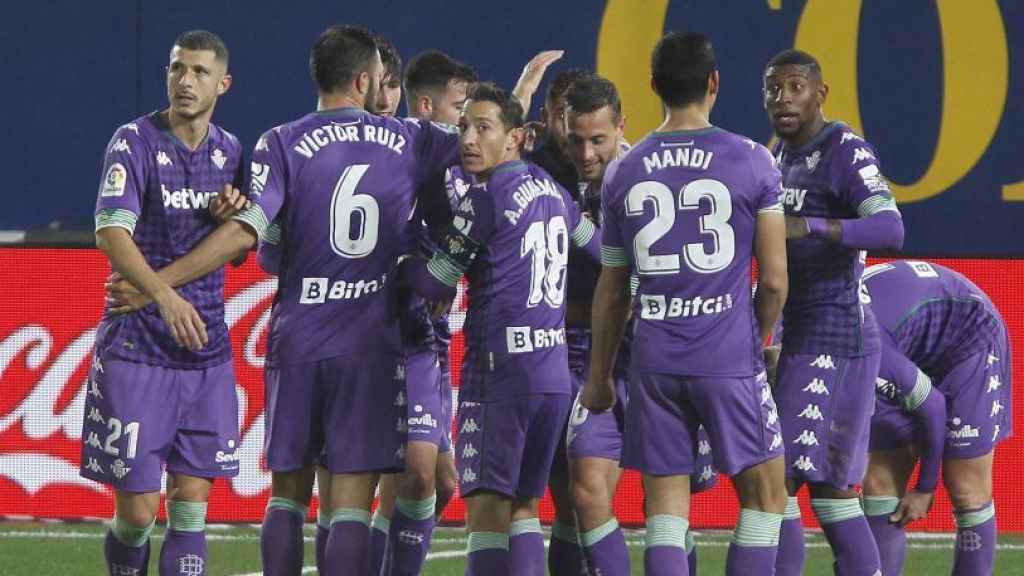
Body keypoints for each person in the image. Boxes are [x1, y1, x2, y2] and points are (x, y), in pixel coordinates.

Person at [582, 32, 790, 575]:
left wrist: (600, 375)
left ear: (652, 86)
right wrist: (758, 342)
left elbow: (612, 290)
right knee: (767, 498)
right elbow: (773, 281)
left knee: (666, 514)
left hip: (654, 361)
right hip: (727, 357)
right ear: (715, 83)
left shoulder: (624, 172)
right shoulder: (753, 160)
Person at [399, 82, 600, 575]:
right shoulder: (554, 191)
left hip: (501, 377)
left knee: (487, 515)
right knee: (525, 509)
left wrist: (403, 252)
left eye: (482, 128)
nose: (467, 138)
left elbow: (436, 282)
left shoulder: (483, 197)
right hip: (554, 375)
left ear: (517, 137)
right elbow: (600, 251)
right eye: (464, 125)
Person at [82, 29, 246, 576]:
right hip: (137, 348)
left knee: (191, 508)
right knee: (137, 512)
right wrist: (163, 297)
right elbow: (110, 231)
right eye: (177, 68)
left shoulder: (231, 153)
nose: (185, 80)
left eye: (199, 72)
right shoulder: (134, 141)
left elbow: (245, 248)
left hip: (206, 354)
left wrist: (229, 214)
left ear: (222, 84)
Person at [762, 48, 905, 576]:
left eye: (796, 87)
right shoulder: (780, 154)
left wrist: (815, 227)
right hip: (804, 330)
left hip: (837, 332)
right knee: (828, 493)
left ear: (820, 94)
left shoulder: (845, 149)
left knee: (775, 482)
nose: (783, 98)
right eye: (774, 88)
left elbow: (891, 228)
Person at [861, 260, 1011, 575]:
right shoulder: (797, 339)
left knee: (965, 486)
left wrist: (925, 487)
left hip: (967, 338)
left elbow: (932, 406)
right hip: (907, 342)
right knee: (879, 482)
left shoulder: (866, 350)